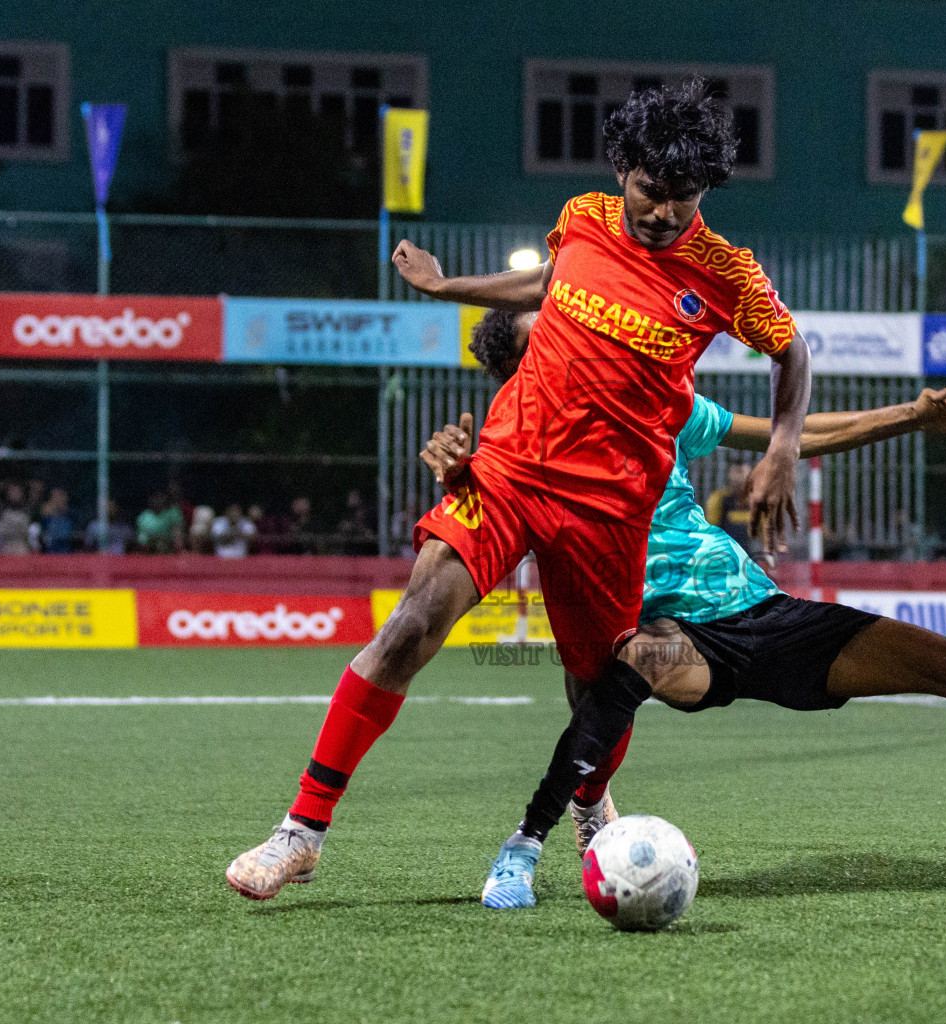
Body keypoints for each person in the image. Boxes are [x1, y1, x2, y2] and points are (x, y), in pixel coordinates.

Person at [224, 79, 811, 900]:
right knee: (411, 625)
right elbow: (548, 286)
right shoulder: (582, 219)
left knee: (596, 687)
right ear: (621, 170)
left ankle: (590, 803)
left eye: (683, 198)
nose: (663, 214)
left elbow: (793, 352)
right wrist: (445, 289)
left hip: (610, 506)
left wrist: (783, 445)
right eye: (649, 192)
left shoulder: (726, 273)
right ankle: (302, 831)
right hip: (509, 468)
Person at [424, 310, 946, 907]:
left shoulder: (658, 406)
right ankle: (525, 844)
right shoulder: (519, 449)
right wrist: (463, 481)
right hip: (679, 637)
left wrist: (911, 414)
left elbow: (795, 434)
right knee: (635, 663)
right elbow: (480, 527)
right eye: (545, 336)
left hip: (767, 613)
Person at [0, 483, 33, 556]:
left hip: (21, 545)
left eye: (17, 492)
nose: (15, 494)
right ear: (8, 494)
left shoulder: (27, 512)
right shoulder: (2, 512)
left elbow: (30, 533)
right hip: (6, 545)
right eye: (12, 491)